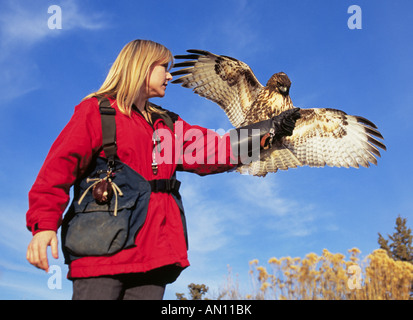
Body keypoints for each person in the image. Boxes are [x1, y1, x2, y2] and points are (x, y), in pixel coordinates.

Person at [26, 39, 300, 300]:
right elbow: (57, 169)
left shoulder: (166, 123)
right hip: (102, 252)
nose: (169, 77)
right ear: (141, 68)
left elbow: (215, 149)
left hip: (154, 256)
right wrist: (44, 225)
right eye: (163, 69)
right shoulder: (96, 112)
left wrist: (269, 133)